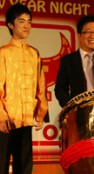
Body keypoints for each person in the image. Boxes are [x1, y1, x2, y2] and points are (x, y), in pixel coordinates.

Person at [0, 3, 48, 174]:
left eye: (29, 21)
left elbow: (40, 85)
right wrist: (1, 117)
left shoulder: (34, 53)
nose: (27, 26)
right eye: (22, 21)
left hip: (26, 119)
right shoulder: (3, 53)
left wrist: (40, 112)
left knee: (24, 166)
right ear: (11, 25)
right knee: (1, 164)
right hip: (5, 122)